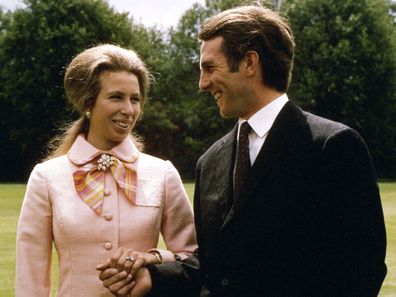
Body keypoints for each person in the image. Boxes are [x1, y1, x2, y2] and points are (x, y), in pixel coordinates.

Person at [100, 5, 387, 297]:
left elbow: (362, 270)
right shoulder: (209, 162)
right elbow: (214, 269)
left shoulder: (332, 146)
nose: (202, 84)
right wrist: (154, 277)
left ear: (250, 62)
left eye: (210, 68)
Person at [15, 44, 197, 297]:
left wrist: (152, 258)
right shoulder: (47, 177)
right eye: (116, 97)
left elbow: (193, 258)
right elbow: (30, 277)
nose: (129, 109)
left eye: (135, 99)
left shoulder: (162, 174)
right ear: (88, 102)